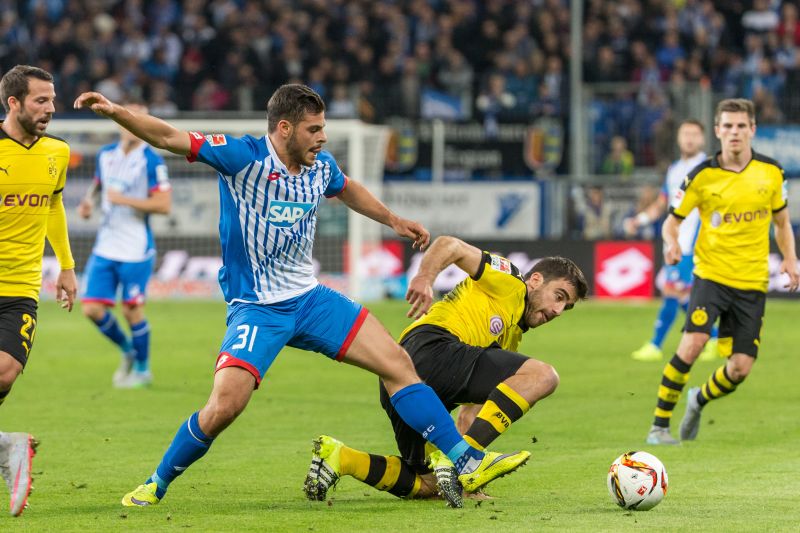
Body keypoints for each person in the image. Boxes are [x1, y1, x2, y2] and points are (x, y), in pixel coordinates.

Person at [73, 84, 529, 507]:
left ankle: (464, 460)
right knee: (224, 407)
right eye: (314, 129)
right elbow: (170, 137)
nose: (323, 138)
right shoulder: (242, 157)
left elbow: (347, 188)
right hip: (257, 308)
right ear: (285, 128)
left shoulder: (321, 168)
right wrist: (117, 113)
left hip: (311, 300)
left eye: (324, 128)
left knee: (397, 364)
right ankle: (158, 481)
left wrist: (392, 220)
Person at [304, 236, 587, 508]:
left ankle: (342, 458)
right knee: (543, 376)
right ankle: (465, 462)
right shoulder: (510, 281)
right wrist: (425, 278)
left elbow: (471, 413)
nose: (559, 310)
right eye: (559, 296)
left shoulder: (509, 338)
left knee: (430, 486)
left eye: (567, 306)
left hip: (398, 382)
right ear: (536, 280)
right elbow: (449, 244)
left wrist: (464, 483)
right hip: (433, 347)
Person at [646, 99, 798, 446]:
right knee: (693, 343)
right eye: (727, 126)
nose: (734, 132)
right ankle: (659, 426)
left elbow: (782, 222)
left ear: (752, 130)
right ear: (717, 131)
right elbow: (672, 223)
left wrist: (790, 258)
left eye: (741, 126)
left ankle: (698, 399)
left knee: (740, 368)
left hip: (753, 282)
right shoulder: (700, 176)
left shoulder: (772, 172)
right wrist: (671, 243)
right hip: (711, 276)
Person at [0, 65, 78, 516]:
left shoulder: (58, 152)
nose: (51, 109)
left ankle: (8, 450)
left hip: (21, 286)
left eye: (52, 99)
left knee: (6, 370)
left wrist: (66, 266)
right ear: (13, 103)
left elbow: (53, 203)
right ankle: (6, 450)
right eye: (40, 101)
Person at [77, 101, 172, 388]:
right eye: (128, 116)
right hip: (105, 245)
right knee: (91, 309)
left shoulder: (152, 161)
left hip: (135, 249)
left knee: (131, 311)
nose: (132, 122)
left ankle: (143, 370)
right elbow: (99, 184)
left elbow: (164, 205)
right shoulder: (106, 154)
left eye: (139, 117)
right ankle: (128, 350)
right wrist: (88, 202)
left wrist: (125, 200)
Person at [625, 120, 720, 362]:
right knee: (680, 295)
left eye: (694, 134)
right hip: (675, 242)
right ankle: (717, 337)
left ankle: (655, 345)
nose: (689, 138)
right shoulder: (674, 169)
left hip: (693, 243)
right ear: (678, 139)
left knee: (672, 290)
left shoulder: (708, 167)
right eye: (685, 133)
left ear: (702, 139)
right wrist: (641, 219)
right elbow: (662, 204)